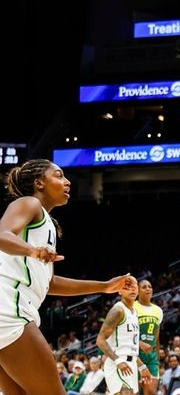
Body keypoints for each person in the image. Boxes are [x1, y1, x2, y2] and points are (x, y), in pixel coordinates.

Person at [0, 159, 134, 395]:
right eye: (59, 175)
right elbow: (2, 235)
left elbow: (50, 283)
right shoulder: (28, 203)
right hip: (9, 308)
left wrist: (104, 286)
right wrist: (32, 250)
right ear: (39, 183)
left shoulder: (46, 223)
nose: (67, 181)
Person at [96, 275, 152, 395]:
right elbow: (100, 340)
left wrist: (142, 367)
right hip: (117, 363)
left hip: (130, 363)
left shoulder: (134, 312)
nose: (132, 289)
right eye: (127, 286)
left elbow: (129, 347)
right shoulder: (118, 311)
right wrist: (117, 361)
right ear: (119, 291)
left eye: (134, 286)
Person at [134, 279, 163, 395]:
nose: (148, 289)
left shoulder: (158, 310)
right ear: (137, 291)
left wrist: (157, 358)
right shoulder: (132, 307)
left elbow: (156, 337)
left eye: (150, 286)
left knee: (151, 391)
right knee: (133, 391)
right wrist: (140, 343)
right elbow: (126, 334)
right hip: (135, 354)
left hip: (151, 357)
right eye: (144, 287)